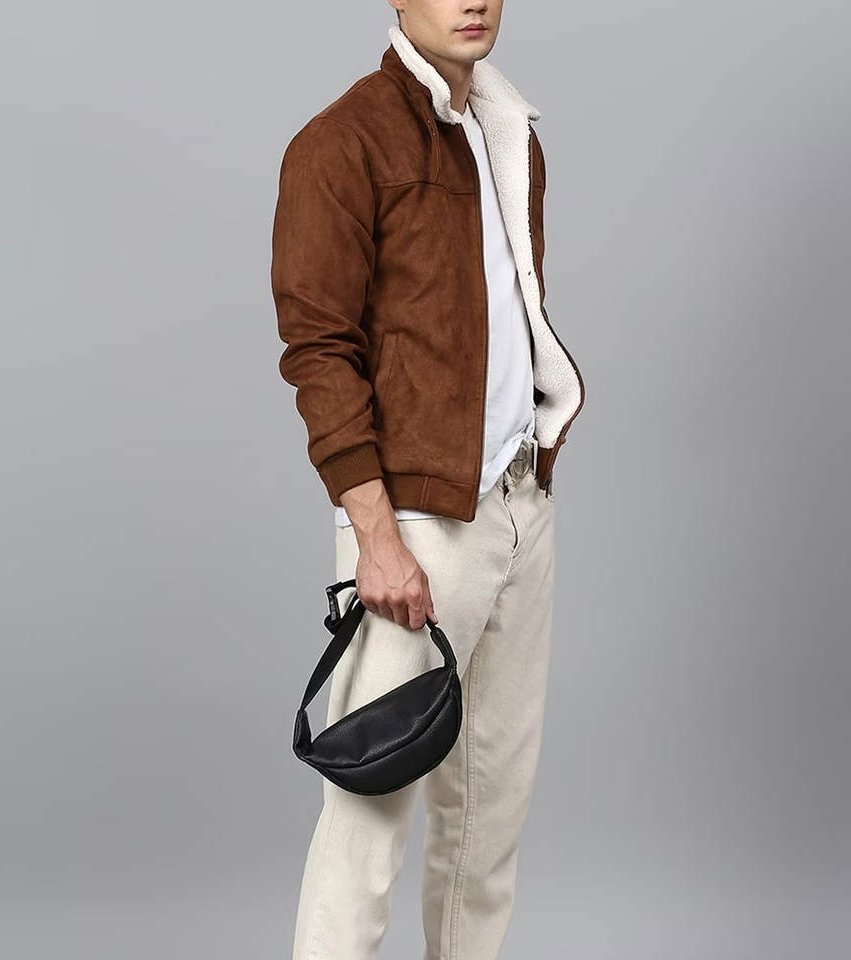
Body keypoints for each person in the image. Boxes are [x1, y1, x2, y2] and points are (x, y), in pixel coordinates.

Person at [270, 3, 585, 957]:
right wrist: (376, 537)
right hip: (415, 525)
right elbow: (318, 350)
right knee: (366, 831)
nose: (473, 1)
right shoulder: (342, 142)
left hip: (518, 504)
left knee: (488, 830)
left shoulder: (508, 134)